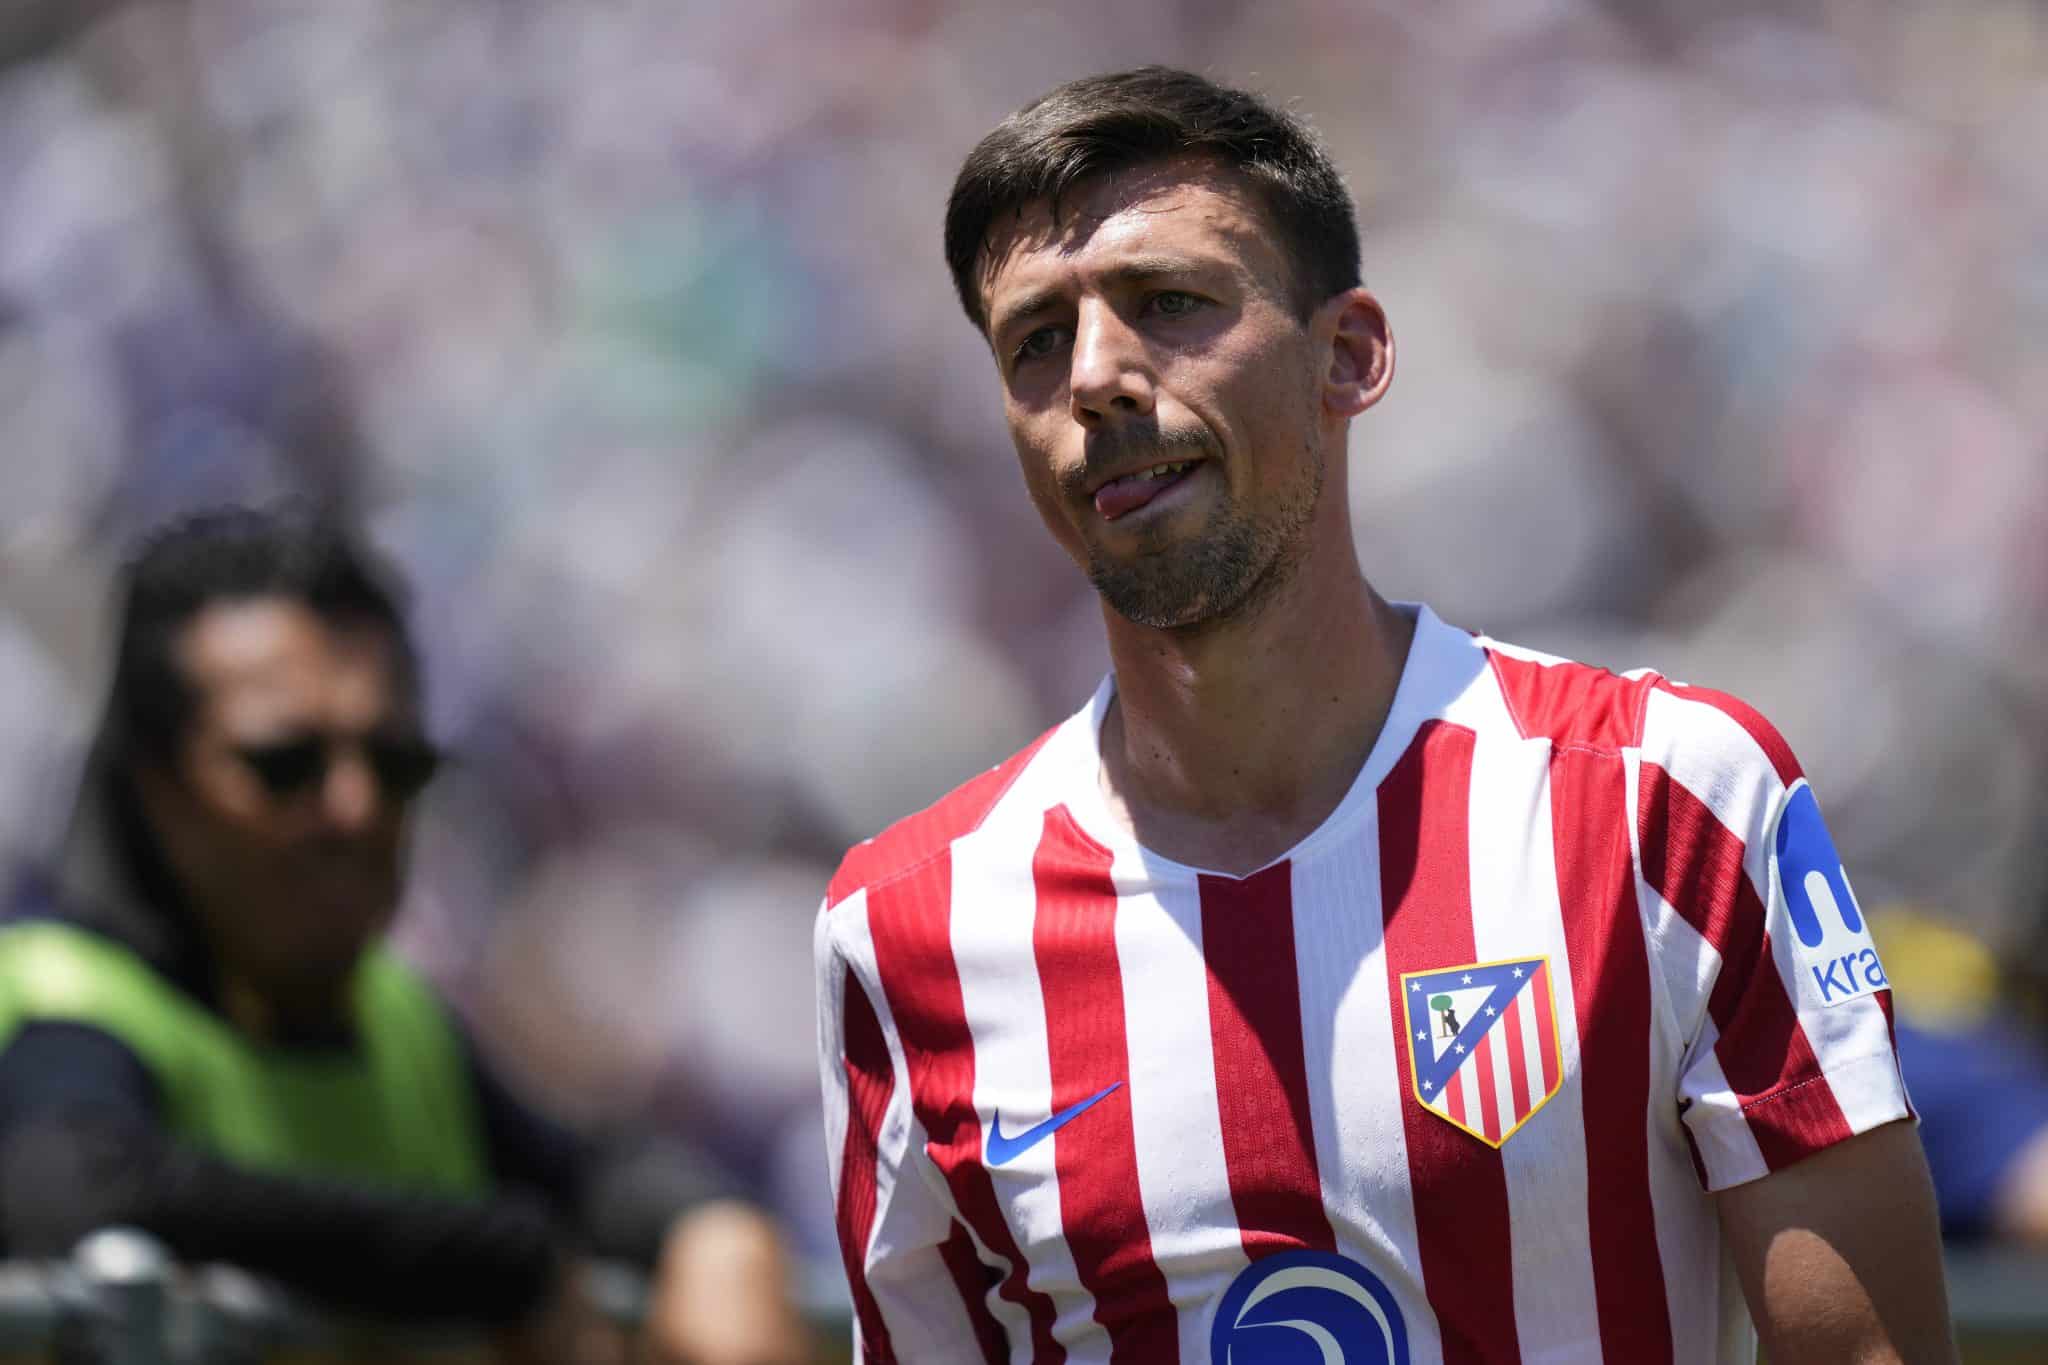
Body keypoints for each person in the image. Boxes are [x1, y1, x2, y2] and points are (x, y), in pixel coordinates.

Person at [814, 66, 1955, 1363]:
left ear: (1346, 356)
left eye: (1168, 304)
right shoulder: (904, 931)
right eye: (1034, 341)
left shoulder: (1663, 801)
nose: (1096, 377)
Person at [0, 505, 810, 1365]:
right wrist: (492, 1263)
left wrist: (717, 1231)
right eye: (285, 764)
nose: (355, 807)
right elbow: (73, 1189)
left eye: (395, 763)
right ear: (155, 787)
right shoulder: (59, 998)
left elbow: (596, 1174)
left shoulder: (399, 1019)